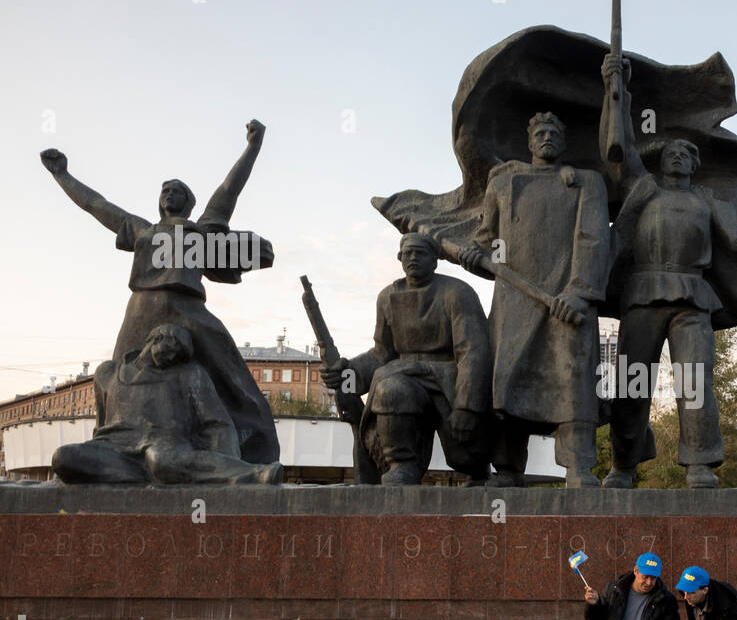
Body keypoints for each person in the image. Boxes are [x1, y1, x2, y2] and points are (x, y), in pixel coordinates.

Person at [597, 55, 737, 489]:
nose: (680, 157)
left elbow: (732, 256)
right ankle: (623, 466)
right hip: (643, 293)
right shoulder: (642, 188)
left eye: (687, 154)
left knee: (695, 382)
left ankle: (700, 463)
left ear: (694, 165)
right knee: (632, 384)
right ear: (662, 161)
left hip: (692, 298)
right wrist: (617, 91)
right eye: (673, 152)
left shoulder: (706, 203)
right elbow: (621, 147)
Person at [40, 121, 278, 464]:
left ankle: (247, 457)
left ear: (189, 202)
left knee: (233, 378)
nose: (169, 193)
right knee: (115, 377)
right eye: (165, 190)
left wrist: (252, 148)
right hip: (141, 309)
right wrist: (61, 175)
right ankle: (109, 448)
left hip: (188, 310)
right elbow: (96, 204)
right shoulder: (142, 230)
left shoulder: (200, 230)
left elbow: (230, 189)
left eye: (177, 190)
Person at [459, 112, 611, 487]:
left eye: (554, 133)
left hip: (567, 300)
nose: (546, 138)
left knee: (572, 381)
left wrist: (579, 292)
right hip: (514, 303)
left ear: (564, 142)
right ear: (529, 143)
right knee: (509, 381)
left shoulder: (585, 182)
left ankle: (578, 467)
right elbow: (486, 243)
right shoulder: (504, 185)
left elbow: (594, 239)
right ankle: (507, 467)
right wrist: (473, 254)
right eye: (539, 133)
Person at [323, 233, 493, 485]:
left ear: (435, 260)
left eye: (420, 253)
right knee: (390, 389)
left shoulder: (457, 293)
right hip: (404, 377)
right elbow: (381, 353)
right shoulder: (387, 297)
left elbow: (473, 352)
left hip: (450, 380)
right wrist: (348, 373)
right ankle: (402, 464)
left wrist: (467, 406)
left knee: (466, 457)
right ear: (399, 258)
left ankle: (478, 471)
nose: (413, 258)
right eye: (407, 253)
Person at [52, 324, 283, 485]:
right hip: (113, 448)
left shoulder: (190, 374)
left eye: (180, 353)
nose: (174, 356)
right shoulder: (108, 373)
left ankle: (253, 473)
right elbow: (100, 424)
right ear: (156, 339)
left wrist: (228, 460)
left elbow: (218, 424)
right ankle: (149, 474)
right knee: (64, 457)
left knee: (161, 460)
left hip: (163, 446)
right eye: (173, 346)